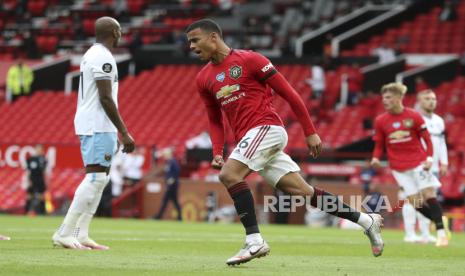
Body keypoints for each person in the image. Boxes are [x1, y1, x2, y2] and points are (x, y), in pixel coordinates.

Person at [186, 18, 384, 266]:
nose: (192, 46)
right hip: (250, 138)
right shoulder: (203, 78)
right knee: (303, 192)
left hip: (267, 128)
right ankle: (367, 221)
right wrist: (217, 151)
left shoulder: (250, 59)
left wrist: (310, 131)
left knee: (229, 175)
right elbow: (214, 119)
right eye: (190, 42)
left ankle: (254, 240)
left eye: (195, 40)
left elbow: (289, 93)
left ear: (213, 37)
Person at [52, 16, 135, 250]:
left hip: (101, 125)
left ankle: (82, 232)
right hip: (96, 124)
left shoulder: (94, 54)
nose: (120, 35)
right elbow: (105, 97)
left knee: (102, 178)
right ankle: (65, 232)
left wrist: (114, 131)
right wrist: (124, 132)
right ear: (114, 33)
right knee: (96, 177)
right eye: (119, 30)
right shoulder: (102, 57)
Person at [371, 82, 449, 247]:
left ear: (399, 98)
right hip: (398, 168)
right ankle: (441, 222)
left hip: (418, 163)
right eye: (383, 97)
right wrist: (375, 158)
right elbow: (379, 144)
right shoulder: (380, 120)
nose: (384, 100)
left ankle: (441, 234)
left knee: (429, 194)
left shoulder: (413, 116)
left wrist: (429, 158)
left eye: (388, 97)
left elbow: (427, 140)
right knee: (415, 202)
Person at [402, 89, 450, 243]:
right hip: (416, 165)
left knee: (429, 199)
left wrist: (444, 162)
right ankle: (409, 234)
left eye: (434, 99)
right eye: (428, 99)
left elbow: (442, 143)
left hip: (433, 166)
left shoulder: (439, 121)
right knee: (413, 199)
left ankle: (425, 234)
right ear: (419, 102)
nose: (431, 101)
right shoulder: (413, 119)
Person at [154, 148, 182, 221]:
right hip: (170, 184)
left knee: (165, 200)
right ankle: (179, 217)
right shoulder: (169, 162)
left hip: (172, 185)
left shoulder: (173, 162)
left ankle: (159, 216)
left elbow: (177, 171)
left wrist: (172, 179)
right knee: (174, 201)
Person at [25, 144, 49, 215]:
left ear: (42, 151)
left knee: (41, 196)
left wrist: (46, 181)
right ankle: (27, 212)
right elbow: (28, 171)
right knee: (29, 196)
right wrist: (28, 180)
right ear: (35, 149)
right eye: (37, 149)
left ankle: (42, 212)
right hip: (32, 180)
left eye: (40, 149)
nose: (39, 151)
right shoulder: (30, 159)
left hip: (40, 180)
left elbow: (45, 172)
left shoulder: (44, 159)